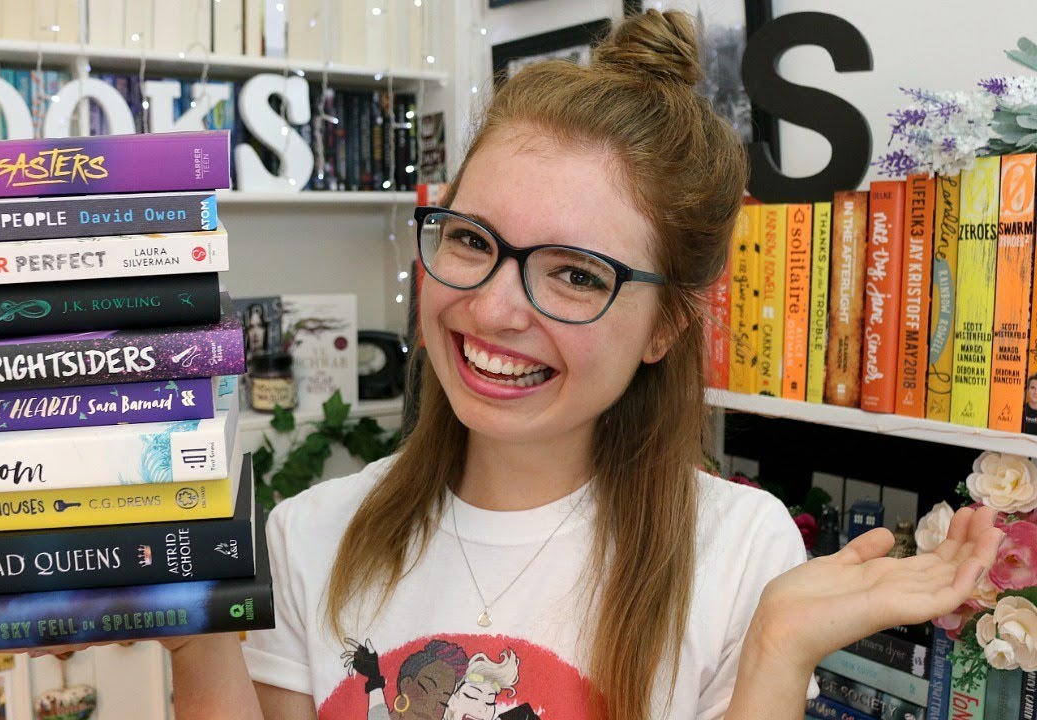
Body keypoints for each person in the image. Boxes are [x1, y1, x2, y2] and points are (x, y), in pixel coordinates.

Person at [147, 9, 1003, 719]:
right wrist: (198, 643)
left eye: (576, 275)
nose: (492, 309)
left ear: (666, 325)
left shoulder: (738, 551)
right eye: (472, 240)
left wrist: (776, 653)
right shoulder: (310, 535)